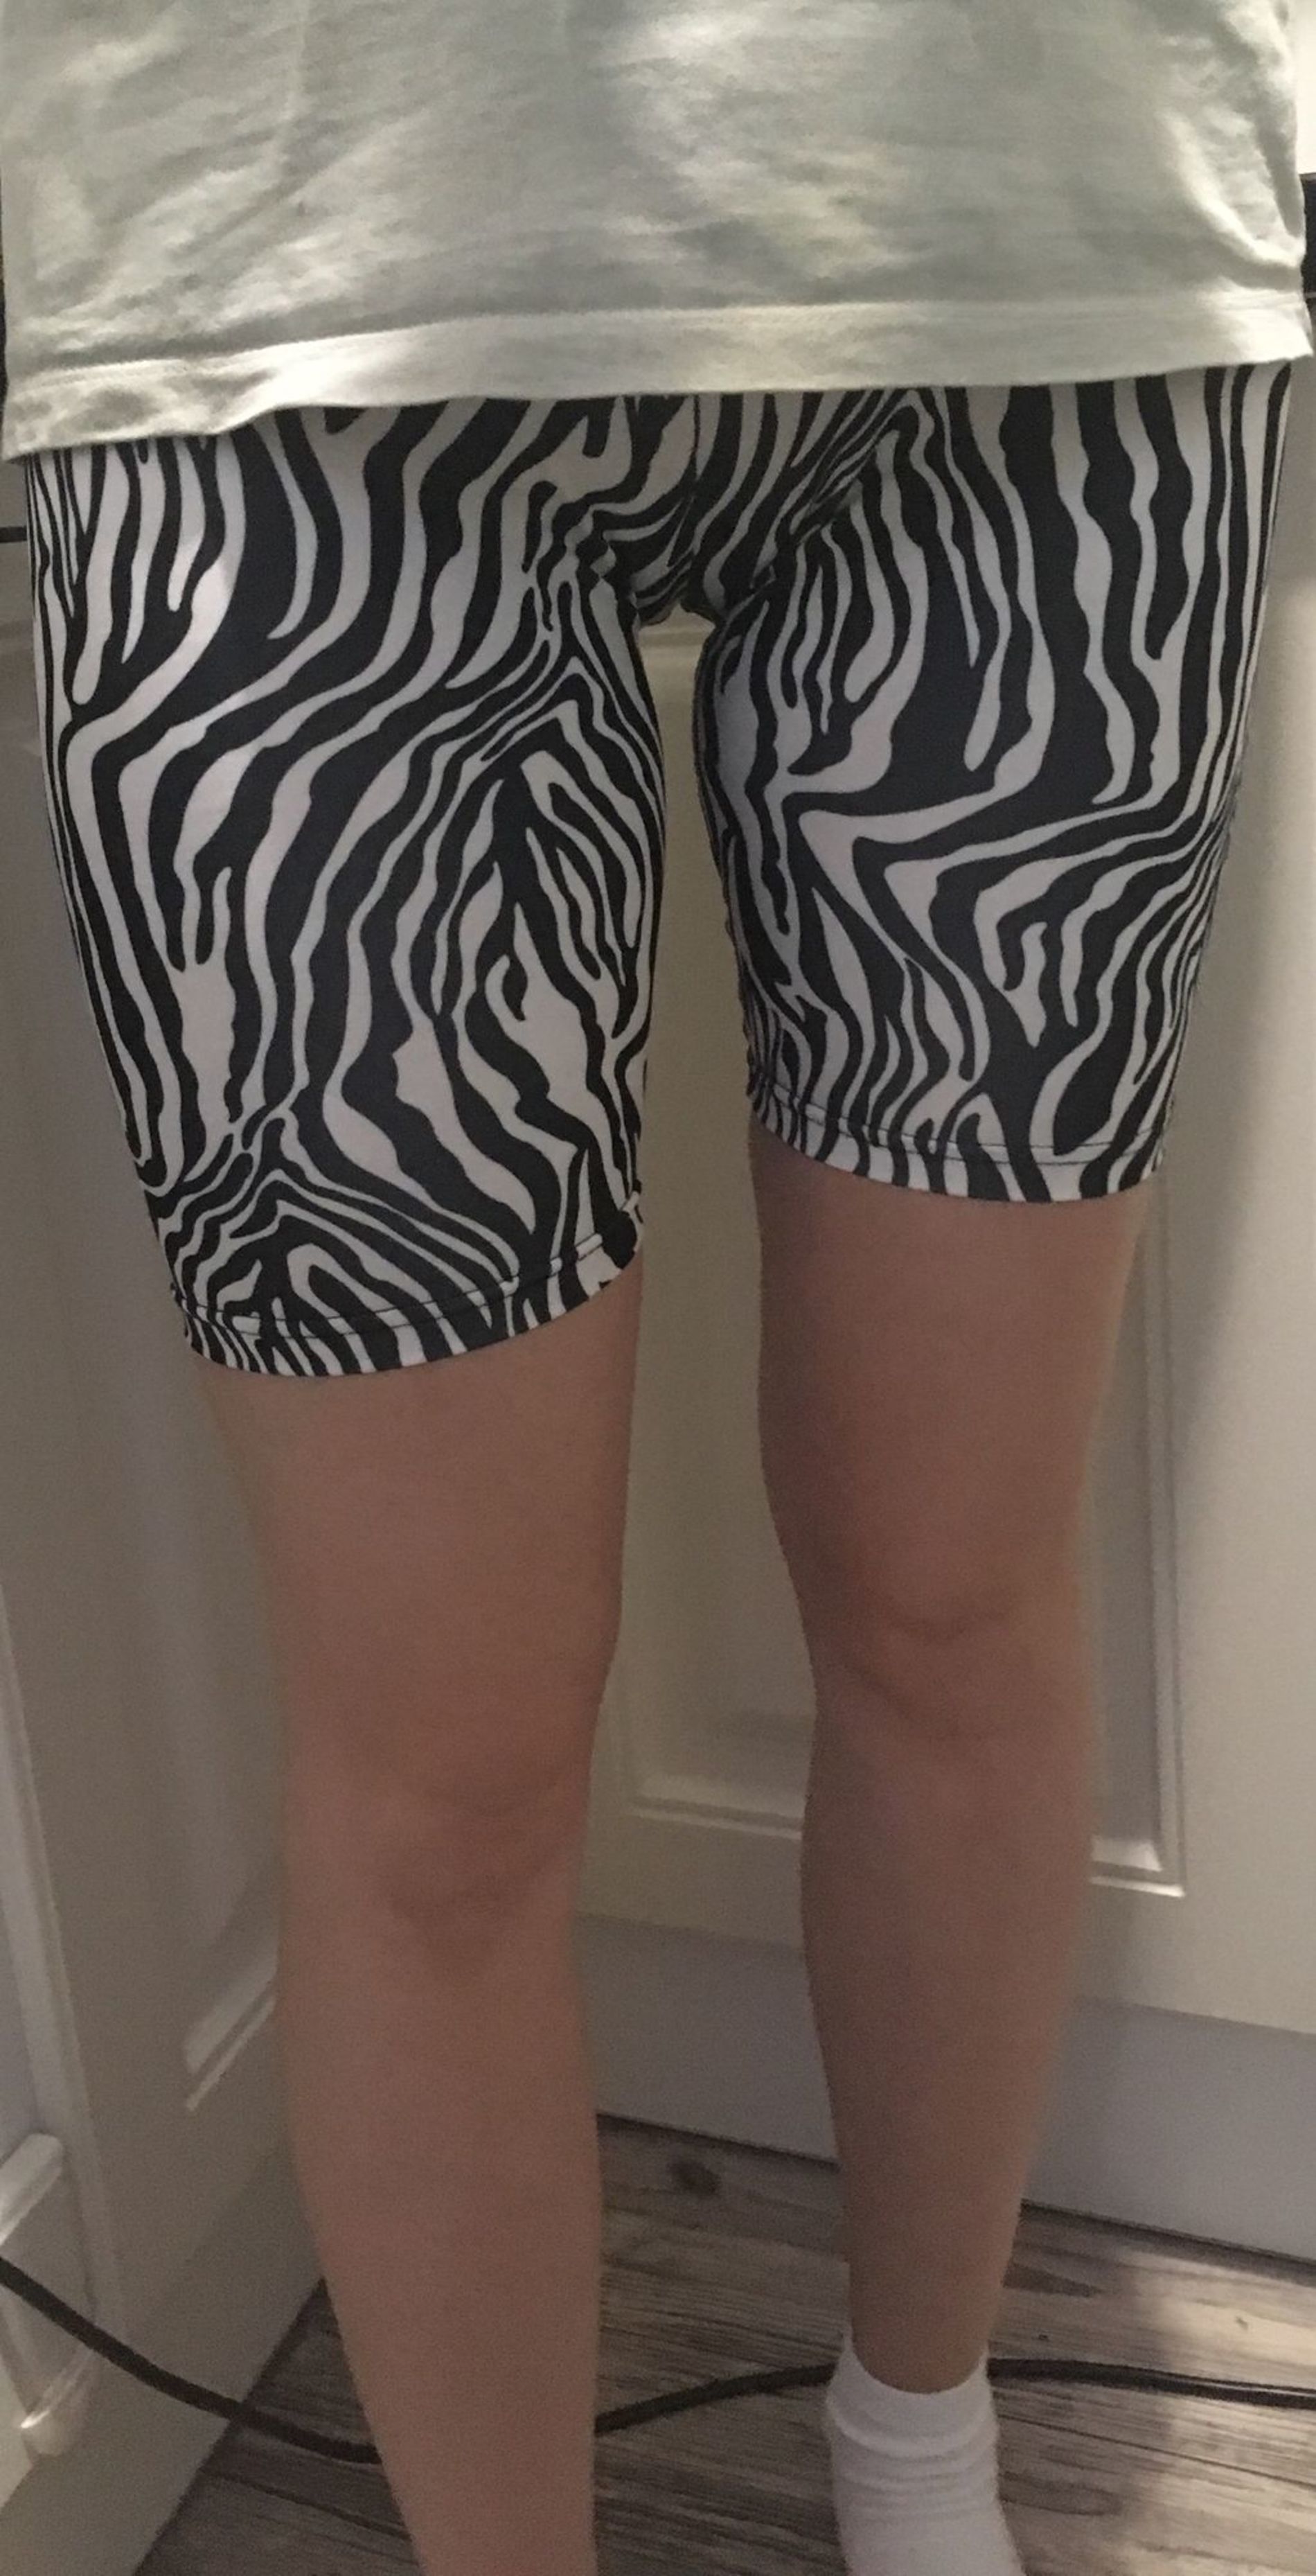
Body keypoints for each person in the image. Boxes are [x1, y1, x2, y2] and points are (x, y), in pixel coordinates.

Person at [0, 6, 1310, 2572]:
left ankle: (922, 2453)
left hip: (1044, 272)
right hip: (271, 306)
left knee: (952, 1603)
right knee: (443, 1755)